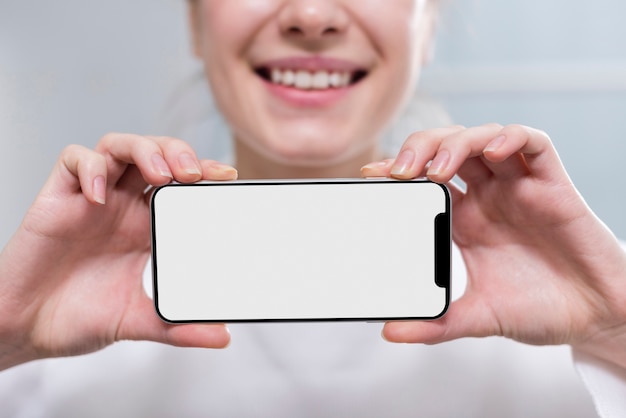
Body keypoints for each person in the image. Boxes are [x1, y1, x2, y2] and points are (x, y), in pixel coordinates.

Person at [1, 0, 625, 416]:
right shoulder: (51, 325)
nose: (311, 14)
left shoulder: (563, 303)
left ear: (429, 25)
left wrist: (615, 329)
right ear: (195, 23)